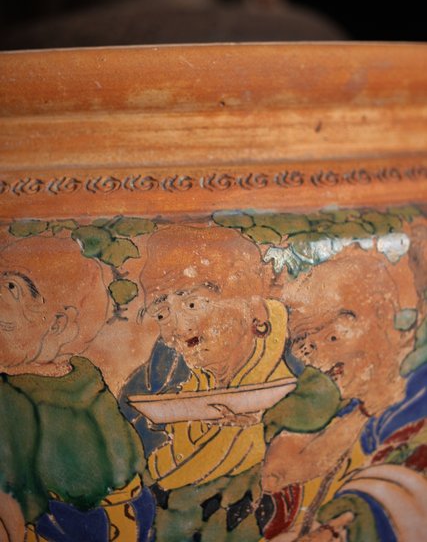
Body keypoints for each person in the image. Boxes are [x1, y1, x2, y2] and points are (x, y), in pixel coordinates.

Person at [121, 225, 342, 541]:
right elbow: (129, 437)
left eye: (192, 305)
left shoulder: (298, 348)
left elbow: (322, 401)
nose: (176, 329)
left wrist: (262, 422)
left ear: (250, 303)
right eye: (162, 314)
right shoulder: (164, 369)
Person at [261, 241, 427, 541]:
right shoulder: (346, 411)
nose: (318, 361)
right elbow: (279, 476)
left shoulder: (416, 395)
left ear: (382, 313)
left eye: (333, 337)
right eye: (306, 346)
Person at [0, 236, 150, 542]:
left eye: (12, 287)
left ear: (57, 324)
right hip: (136, 509)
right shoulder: (84, 374)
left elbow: (14, 498)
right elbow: (132, 451)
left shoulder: (12, 394)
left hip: (69, 521)